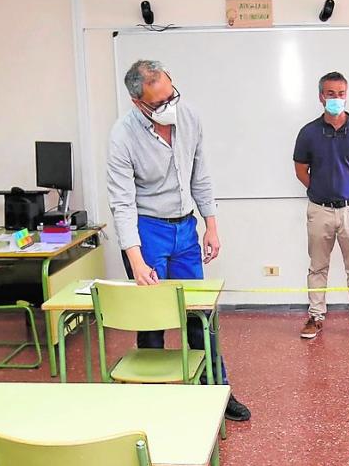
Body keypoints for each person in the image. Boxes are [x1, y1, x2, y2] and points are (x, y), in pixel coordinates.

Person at [107, 59, 251, 421]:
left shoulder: (189, 118)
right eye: (159, 102)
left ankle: (216, 391)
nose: (169, 105)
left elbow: (200, 175)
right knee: (152, 321)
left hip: (185, 228)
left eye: (172, 95)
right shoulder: (123, 136)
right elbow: (122, 203)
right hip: (147, 231)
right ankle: (153, 402)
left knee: (200, 316)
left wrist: (211, 226)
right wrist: (136, 260)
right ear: (137, 102)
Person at [293, 71, 349, 341]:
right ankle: (316, 317)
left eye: (341, 94)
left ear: (346, 95)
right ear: (321, 96)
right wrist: (322, 191)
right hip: (319, 209)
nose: (336, 98)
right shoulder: (308, 133)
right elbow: (301, 170)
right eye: (331, 93)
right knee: (317, 267)